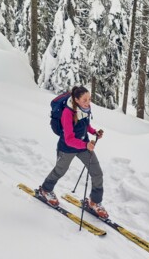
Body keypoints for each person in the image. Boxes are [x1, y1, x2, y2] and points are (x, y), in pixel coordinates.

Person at [37, 86, 108, 218]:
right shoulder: (67, 113)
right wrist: (86, 145)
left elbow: (85, 124)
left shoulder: (86, 108)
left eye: (89, 99)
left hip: (83, 146)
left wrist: (94, 132)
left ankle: (94, 202)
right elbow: (69, 139)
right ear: (76, 99)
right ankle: (45, 189)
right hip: (67, 148)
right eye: (85, 100)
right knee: (60, 171)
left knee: (97, 172)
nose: (88, 102)